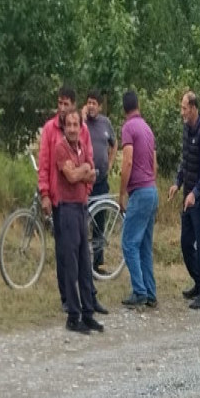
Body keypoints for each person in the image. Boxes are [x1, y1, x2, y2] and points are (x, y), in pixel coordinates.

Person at [38, 86, 107, 315]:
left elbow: (90, 161)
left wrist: (86, 186)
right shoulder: (50, 130)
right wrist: (45, 193)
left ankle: (90, 298)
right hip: (59, 200)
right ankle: (67, 297)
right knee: (64, 252)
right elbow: (45, 164)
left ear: (74, 106)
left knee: (83, 253)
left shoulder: (82, 129)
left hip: (79, 200)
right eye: (59, 102)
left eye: (67, 103)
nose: (62, 107)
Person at [52, 110, 103, 333]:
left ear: (80, 126)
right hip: (67, 210)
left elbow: (93, 173)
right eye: (69, 125)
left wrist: (81, 171)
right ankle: (73, 315)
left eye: (76, 124)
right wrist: (83, 171)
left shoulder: (81, 145)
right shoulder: (60, 148)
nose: (72, 128)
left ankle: (88, 312)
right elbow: (71, 176)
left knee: (84, 263)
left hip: (82, 208)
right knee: (71, 265)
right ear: (64, 127)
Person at [169, 91, 200, 310]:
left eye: (185, 108)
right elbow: (185, 160)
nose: (182, 112)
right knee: (186, 244)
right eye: (182, 107)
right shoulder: (187, 128)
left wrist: (195, 193)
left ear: (194, 108)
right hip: (187, 198)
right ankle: (197, 281)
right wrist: (178, 183)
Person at [118, 90, 159, 308]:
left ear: (124, 108)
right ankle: (151, 292)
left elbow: (127, 162)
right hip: (152, 189)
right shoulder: (147, 128)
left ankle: (139, 291)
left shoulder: (128, 128)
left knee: (128, 243)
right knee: (144, 245)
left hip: (140, 191)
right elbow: (154, 164)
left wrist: (122, 192)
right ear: (138, 105)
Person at [83, 89, 116, 275]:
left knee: (99, 221)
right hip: (85, 181)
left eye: (94, 103)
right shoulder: (82, 123)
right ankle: (84, 262)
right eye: (89, 102)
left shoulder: (105, 123)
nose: (91, 106)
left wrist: (110, 163)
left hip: (102, 180)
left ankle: (98, 262)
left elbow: (115, 143)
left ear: (100, 106)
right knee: (84, 220)